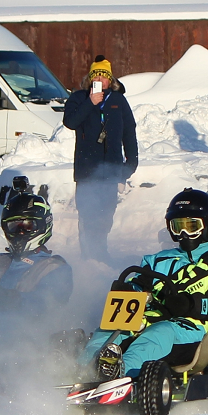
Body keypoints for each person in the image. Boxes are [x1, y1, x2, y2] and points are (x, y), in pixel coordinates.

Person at [82, 188, 208, 380]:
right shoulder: (156, 259)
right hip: (144, 320)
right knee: (108, 330)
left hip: (189, 327)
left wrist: (190, 303)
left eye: (191, 226)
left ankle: (120, 375)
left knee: (157, 334)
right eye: (178, 226)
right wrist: (128, 290)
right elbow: (139, 284)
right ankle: (80, 371)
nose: (184, 233)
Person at [62, 55, 138, 261]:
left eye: (104, 76)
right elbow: (70, 122)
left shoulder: (118, 101)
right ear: (90, 79)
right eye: (95, 76)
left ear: (110, 80)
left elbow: (129, 132)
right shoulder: (79, 98)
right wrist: (90, 103)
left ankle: (101, 253)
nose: (100, 80)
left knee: (105, 215)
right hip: (87, 171)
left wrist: (130, 164)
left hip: (111, 170)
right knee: (87, 216)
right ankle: (88, 257)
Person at [0, 190, 72, 313]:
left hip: (27, 325)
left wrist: (9, 298)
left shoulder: (54, 267)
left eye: (27, 226)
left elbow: (48, 304)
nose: (20, 232)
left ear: (43, 226)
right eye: (14, 226)